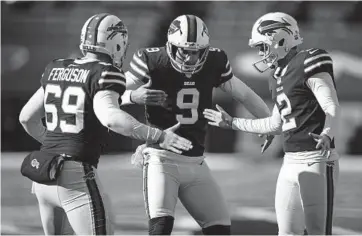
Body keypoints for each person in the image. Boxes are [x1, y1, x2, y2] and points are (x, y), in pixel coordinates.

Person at [18, 13, 192, 235]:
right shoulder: (106, 72)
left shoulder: (56, 68)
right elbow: (110, 117)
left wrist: (57, 147)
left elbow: (26, 117)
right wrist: (160, 136)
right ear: (117, 43)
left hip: (44, 174)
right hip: (75, 177)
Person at [121, 14, 272, 235]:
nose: (191, 58)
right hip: (161, 160)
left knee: (220, 229)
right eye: (185, 51)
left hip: (197, 162)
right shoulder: (150, 59)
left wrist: (267, 122)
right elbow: (108, 95)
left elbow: (245, 94)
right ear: (171, 46)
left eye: (197, 52)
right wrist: (132, 96)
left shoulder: (215, 60)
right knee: (161, 229)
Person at [204, 12, 340, 236]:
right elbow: (277, 124)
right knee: (286, 232)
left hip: (317, 159)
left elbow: (331, 106)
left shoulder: (310, 61)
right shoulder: (277, 75)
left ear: (281, 39)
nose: (260, 53)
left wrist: (327, 132)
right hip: (290, 161)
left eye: (262, 46)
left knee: (318, 232)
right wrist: (232, 123)